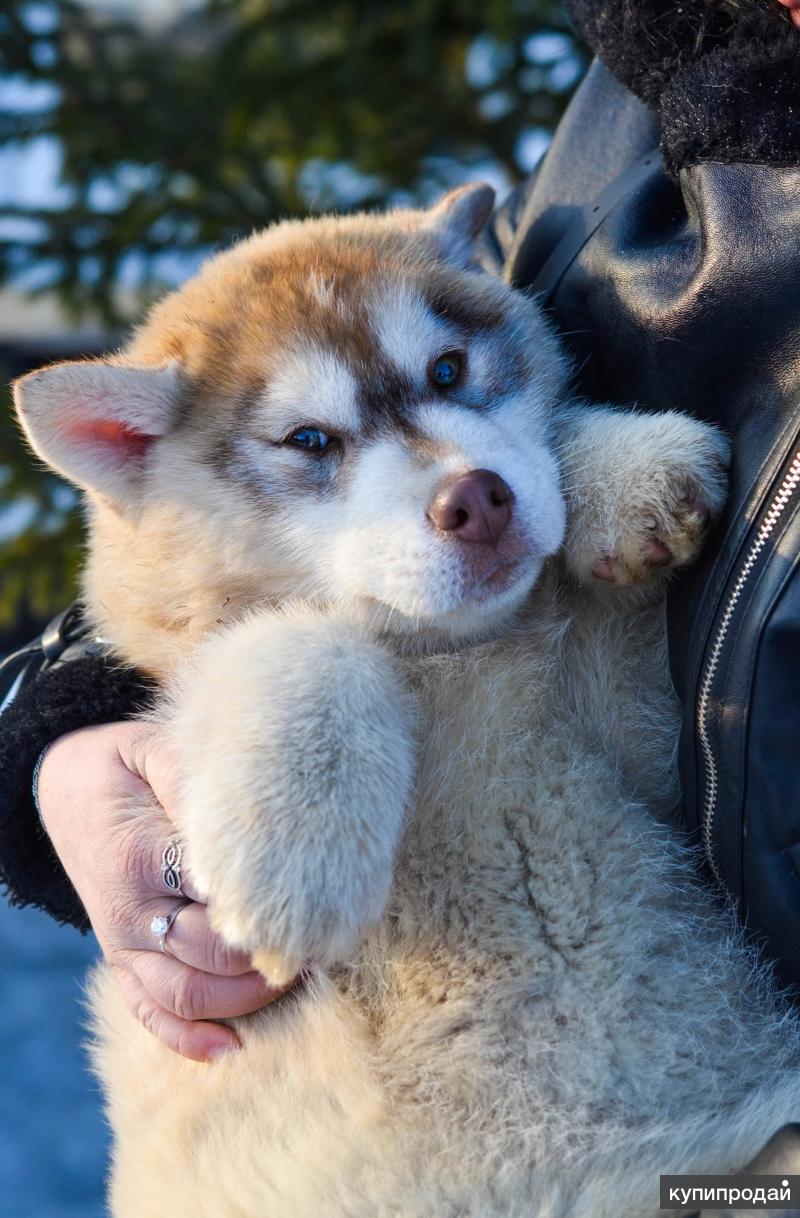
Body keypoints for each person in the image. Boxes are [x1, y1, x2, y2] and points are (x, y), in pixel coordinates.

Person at [3, 0, 800, 1062]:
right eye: (315, 442)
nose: (453, 479)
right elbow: (185, 578)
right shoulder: (641, 99)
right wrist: (66, 733)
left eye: (441, 381)